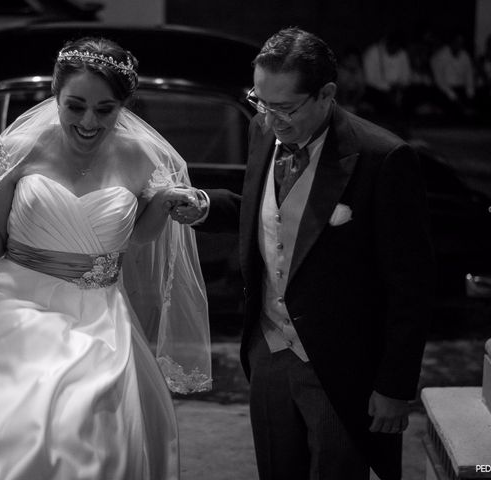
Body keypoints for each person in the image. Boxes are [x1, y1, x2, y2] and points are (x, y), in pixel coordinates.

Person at [0, 37, 211, 480]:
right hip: (12, 309)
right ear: (54, 96)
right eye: (75, 106)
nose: (89, 122)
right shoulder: (22, 148)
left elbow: (140, 238)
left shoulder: (143, 156)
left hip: (98, 320)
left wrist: (163, 203)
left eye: (105, 109)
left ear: (124, 105)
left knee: (84, 439)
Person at [172, 27, 434, 480]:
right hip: (268, 350)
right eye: (261, 102)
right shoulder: (263, 130)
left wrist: (395, 387)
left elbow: (410, 287)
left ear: (326, 93)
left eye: (286, 108)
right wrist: (207, 204)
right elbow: (267, 213)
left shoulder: (382, 158)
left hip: (340, 367)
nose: (272, 120)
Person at [362, 30, 411, 118]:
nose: (395, 49)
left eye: (398, 47)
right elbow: (369, 80)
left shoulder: (402, 54)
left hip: (398, 91)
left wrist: (399, 88)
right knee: (383, 101)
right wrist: (388, 87)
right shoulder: (373, 52)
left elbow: (406, 77)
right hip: (376, 90)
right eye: (393, 45)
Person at [430, 30, 476, 118]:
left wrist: (470, 96)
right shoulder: (440, 56)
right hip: (444, 91)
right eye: (457, 42)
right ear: (451, 41)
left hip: (461, 90)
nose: (459, 45)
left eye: (461, 42)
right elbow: (440, 81)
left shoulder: (465, 56)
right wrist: (454, 97)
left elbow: (469, 77)